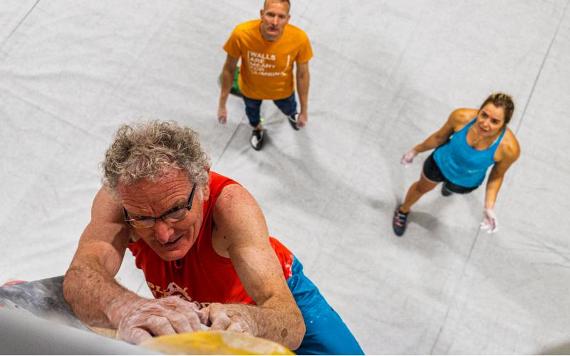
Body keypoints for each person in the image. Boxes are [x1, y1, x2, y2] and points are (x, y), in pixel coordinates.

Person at [63, 121, 363, 355]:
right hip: (193, 309)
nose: (164, 234)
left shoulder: (230, 207)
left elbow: (291, 322)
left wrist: (251, 321)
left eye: (176, 210)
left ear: (203, 185)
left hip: (276, 295)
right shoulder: (120, 201)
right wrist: (126, 308)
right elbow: (80, 277)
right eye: (143, 218)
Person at [393, 93, 521, 236]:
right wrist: (415, 150)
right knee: (420, 188)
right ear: (479, 111)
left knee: (450, 187)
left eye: (494, 121)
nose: (485, 124)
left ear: (504, 124)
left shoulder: (509, 149)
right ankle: (403, 210)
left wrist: (489, 207)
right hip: (440, 164)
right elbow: (438, 138)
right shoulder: (461, 117)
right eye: (484, 115)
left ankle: (448, 187)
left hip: (464, 182)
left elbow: (497, 176)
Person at [217, 0, 313, 151]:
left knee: (289, 108)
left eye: (281, 17)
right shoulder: (242, 34)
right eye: (270, 15)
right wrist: (222, 105)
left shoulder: (299, 39)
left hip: (283, 91)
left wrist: (304, 111)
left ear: (288, 19)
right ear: (262, 14)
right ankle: (257, 128)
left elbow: (302, 75)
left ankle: (292, 115)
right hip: (250, 91)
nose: (275, 22)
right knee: (253, 115)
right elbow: (229, 69)